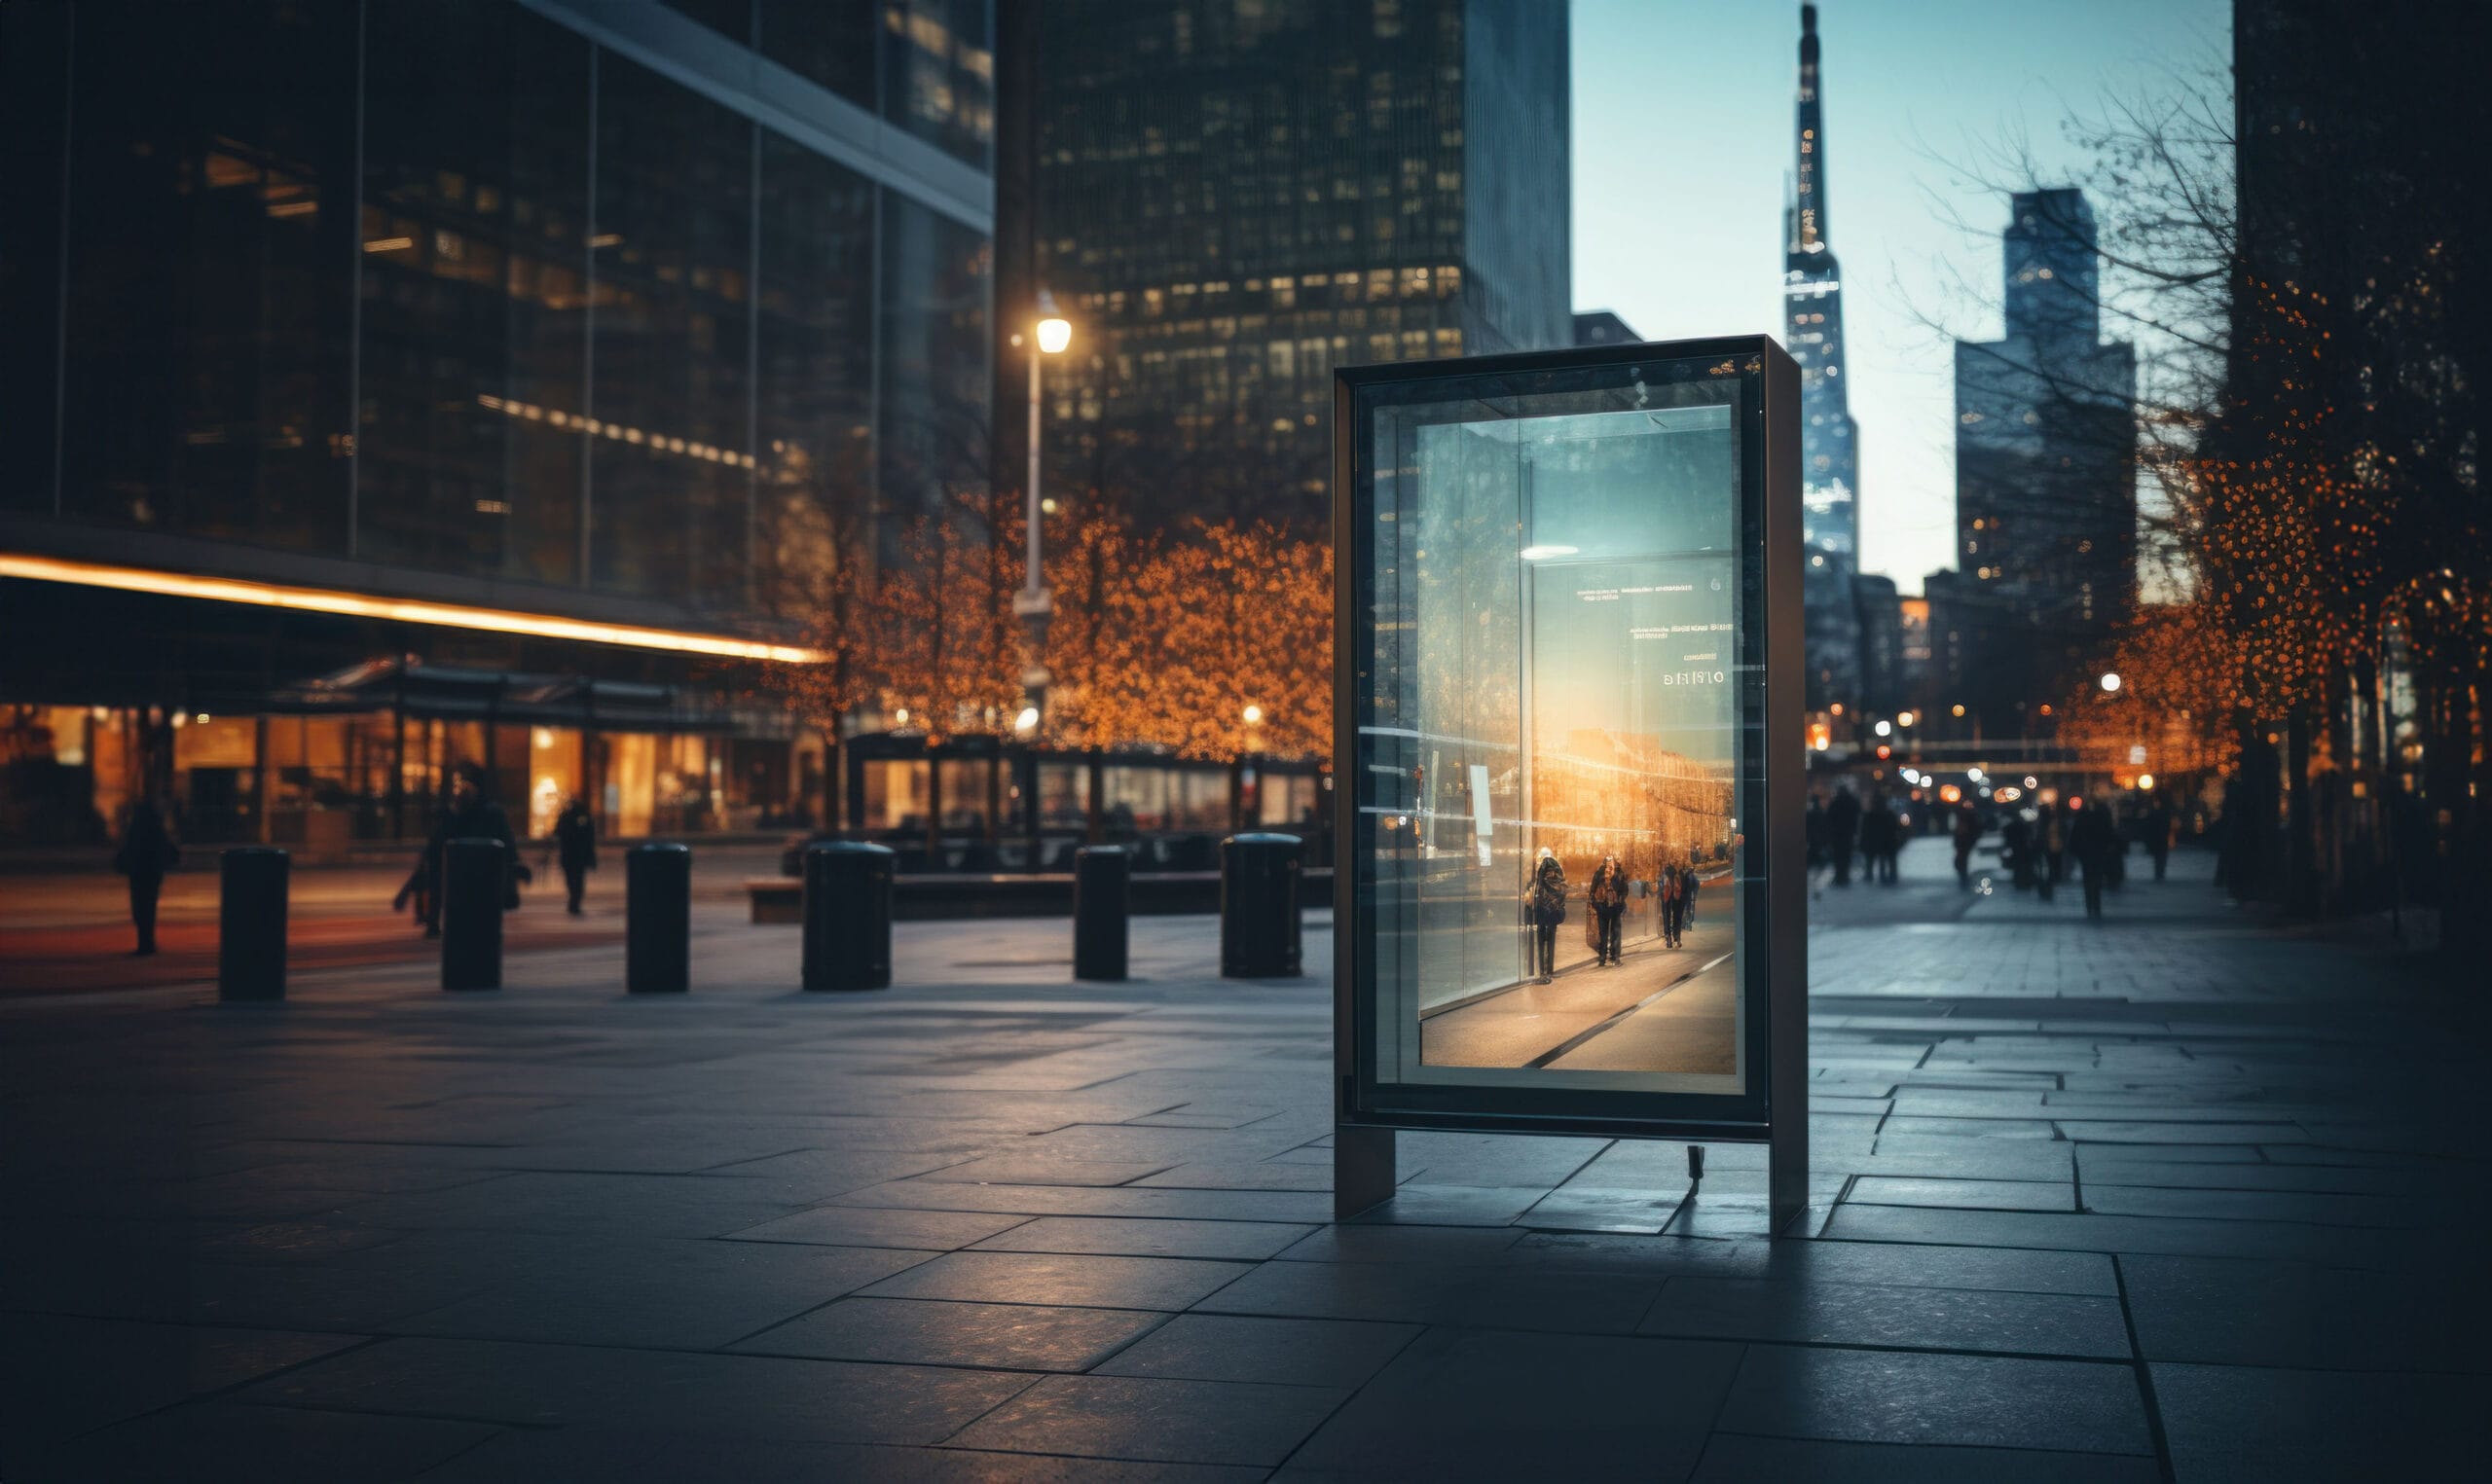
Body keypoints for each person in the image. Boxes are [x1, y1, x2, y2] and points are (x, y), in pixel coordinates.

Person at [111, 796, 180, 956]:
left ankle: (145, 943)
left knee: (140, 908)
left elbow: (127, 849)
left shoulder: (136, 830)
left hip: (139, 873)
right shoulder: (156, 828)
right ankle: (147, 942)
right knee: (148, 908)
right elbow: (168, 849)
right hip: (152, 873)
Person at [2070, 795, 2120, 922]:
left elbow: (2075, 837)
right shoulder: (2102, 819)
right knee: (2097, 880)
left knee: (2088, 880)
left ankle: (2089, 905)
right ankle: (2096, 905)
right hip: (2098, 853)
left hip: (2086, 854)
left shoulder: (2082, 818)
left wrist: (2076, 851)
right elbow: (2110, 836)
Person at [1524, 848, 1566, 984]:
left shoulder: (1545, 873)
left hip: (1544, 910)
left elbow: (1543, 890)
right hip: (1548, 911)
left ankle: (1544, 970)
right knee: (1547, 939)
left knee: (1543, 939)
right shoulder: (1554, 874)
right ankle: (1547, 970)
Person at [553, 794, 597, 916]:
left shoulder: (572, 816)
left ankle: (574, 904)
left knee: (573, 881)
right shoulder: (576, 816)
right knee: (576, 881)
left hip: (572, 855)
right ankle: (574, 903)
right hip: (576, 855)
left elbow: (558, 832)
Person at [1588, 851, 1629, 966]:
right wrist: (1620, 900)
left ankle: (1606, 957)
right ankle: (1611, 957)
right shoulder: (1617, 873)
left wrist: (1596, 904)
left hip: (1608, 907)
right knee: (1611, 933)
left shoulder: (1601, 873)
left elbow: (1592, 891)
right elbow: (1624, 890)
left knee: (1607, 933)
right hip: (1609, 907)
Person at [1826, 785, 1861, 887]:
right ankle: (1845, 876)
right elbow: (1857, 815)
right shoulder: (1852, 802)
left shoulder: (1835, 802)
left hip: (1837, 834)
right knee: (1846, 855)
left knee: (1838, 856)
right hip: (1848, 833)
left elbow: (1829, 818)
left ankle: (1839, 876)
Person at [1859, 789, 1896, 886]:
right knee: (1884, 859)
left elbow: (1865, 830)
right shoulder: (1888, 815)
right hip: (1886, 841)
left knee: (1871, 859)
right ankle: (1887, 876)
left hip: (1873, 841)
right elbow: (1895, 828)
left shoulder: (1870, 815)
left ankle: (1869, 875)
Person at [2140, 794, 2174, 883]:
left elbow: (2149, 825)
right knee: (2160, 857)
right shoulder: (2163, 813)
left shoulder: (2156, 813)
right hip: (2160, 838)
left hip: (2159, 838)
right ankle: (2159, 873)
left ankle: (2159, 873)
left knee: (2160, 857)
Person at [1952, 803, 1982, 888]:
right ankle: (1964, 879)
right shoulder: (1967, 819)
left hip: (1964, 842)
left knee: (1961, 861)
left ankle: (1964, 879)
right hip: (1964, 842)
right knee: (1961, 861)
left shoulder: (1965, 820)